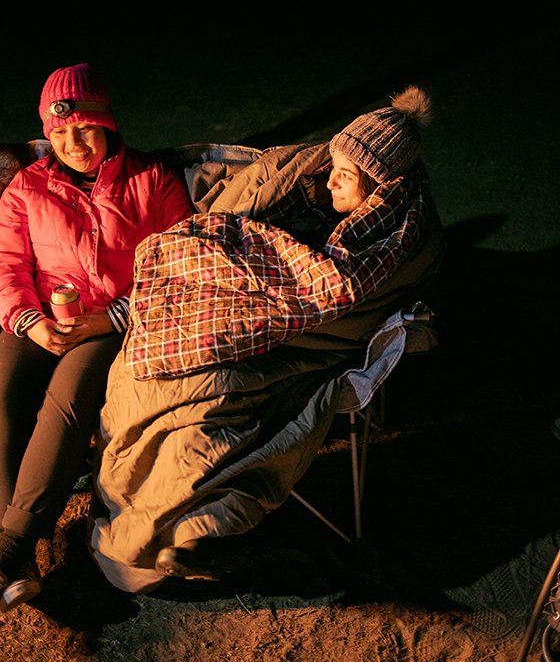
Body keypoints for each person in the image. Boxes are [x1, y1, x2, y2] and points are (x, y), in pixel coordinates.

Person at [89, 84, 445, 592]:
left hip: (299, 340)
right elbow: (223, 220)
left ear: (381, 189)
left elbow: (340, 291)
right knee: (148, 380)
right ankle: (179, 522)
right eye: (335, 164)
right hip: (223, 306)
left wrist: (281, 292)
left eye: (348, 176)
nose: (331, 179)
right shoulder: (304, 173)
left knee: (218, 402)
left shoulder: (402, 237)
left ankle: (195, 530)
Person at [0, 63, 194, 613]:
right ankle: (15, 556)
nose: (74, 143)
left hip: (110, 323)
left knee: (67, 398)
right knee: (3, 395)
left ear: (107, 123)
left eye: (84, 128)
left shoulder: (151, 180)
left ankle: (14, 545)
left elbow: (181, 263)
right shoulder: (28, 186)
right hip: (39, 316)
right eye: (60, 132)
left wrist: (115, 316)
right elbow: (7, 262)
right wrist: (29, 319)